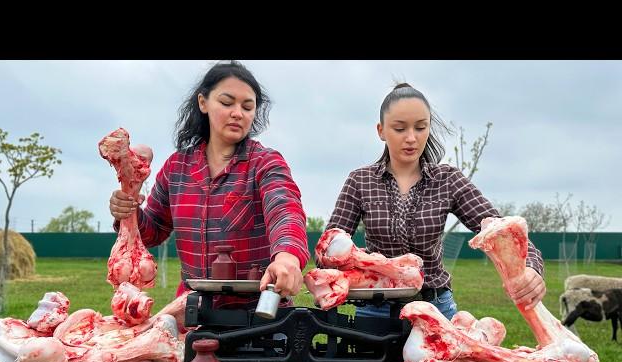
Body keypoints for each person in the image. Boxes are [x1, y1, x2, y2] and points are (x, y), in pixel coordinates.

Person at [324, 82, 546, 320]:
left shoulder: (447, 180)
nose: (411, 138)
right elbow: (328, 250)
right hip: (376, 310)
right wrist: (365, 262)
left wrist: (531, 267)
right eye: (400, 129)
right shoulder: (361, 181)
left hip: (435, 308)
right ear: (381, 131)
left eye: (420, 127)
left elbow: (501, 231)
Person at [109, 60, 309, 313]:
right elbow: (153, 232)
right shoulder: (177, 168)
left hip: (259, 314)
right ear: (203, 103)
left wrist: (287, 257)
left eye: (248, 107)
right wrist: (128, 211)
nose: (238, 112)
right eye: (227, 103)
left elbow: (285, 209)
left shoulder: (264, 163)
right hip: (192, 311)